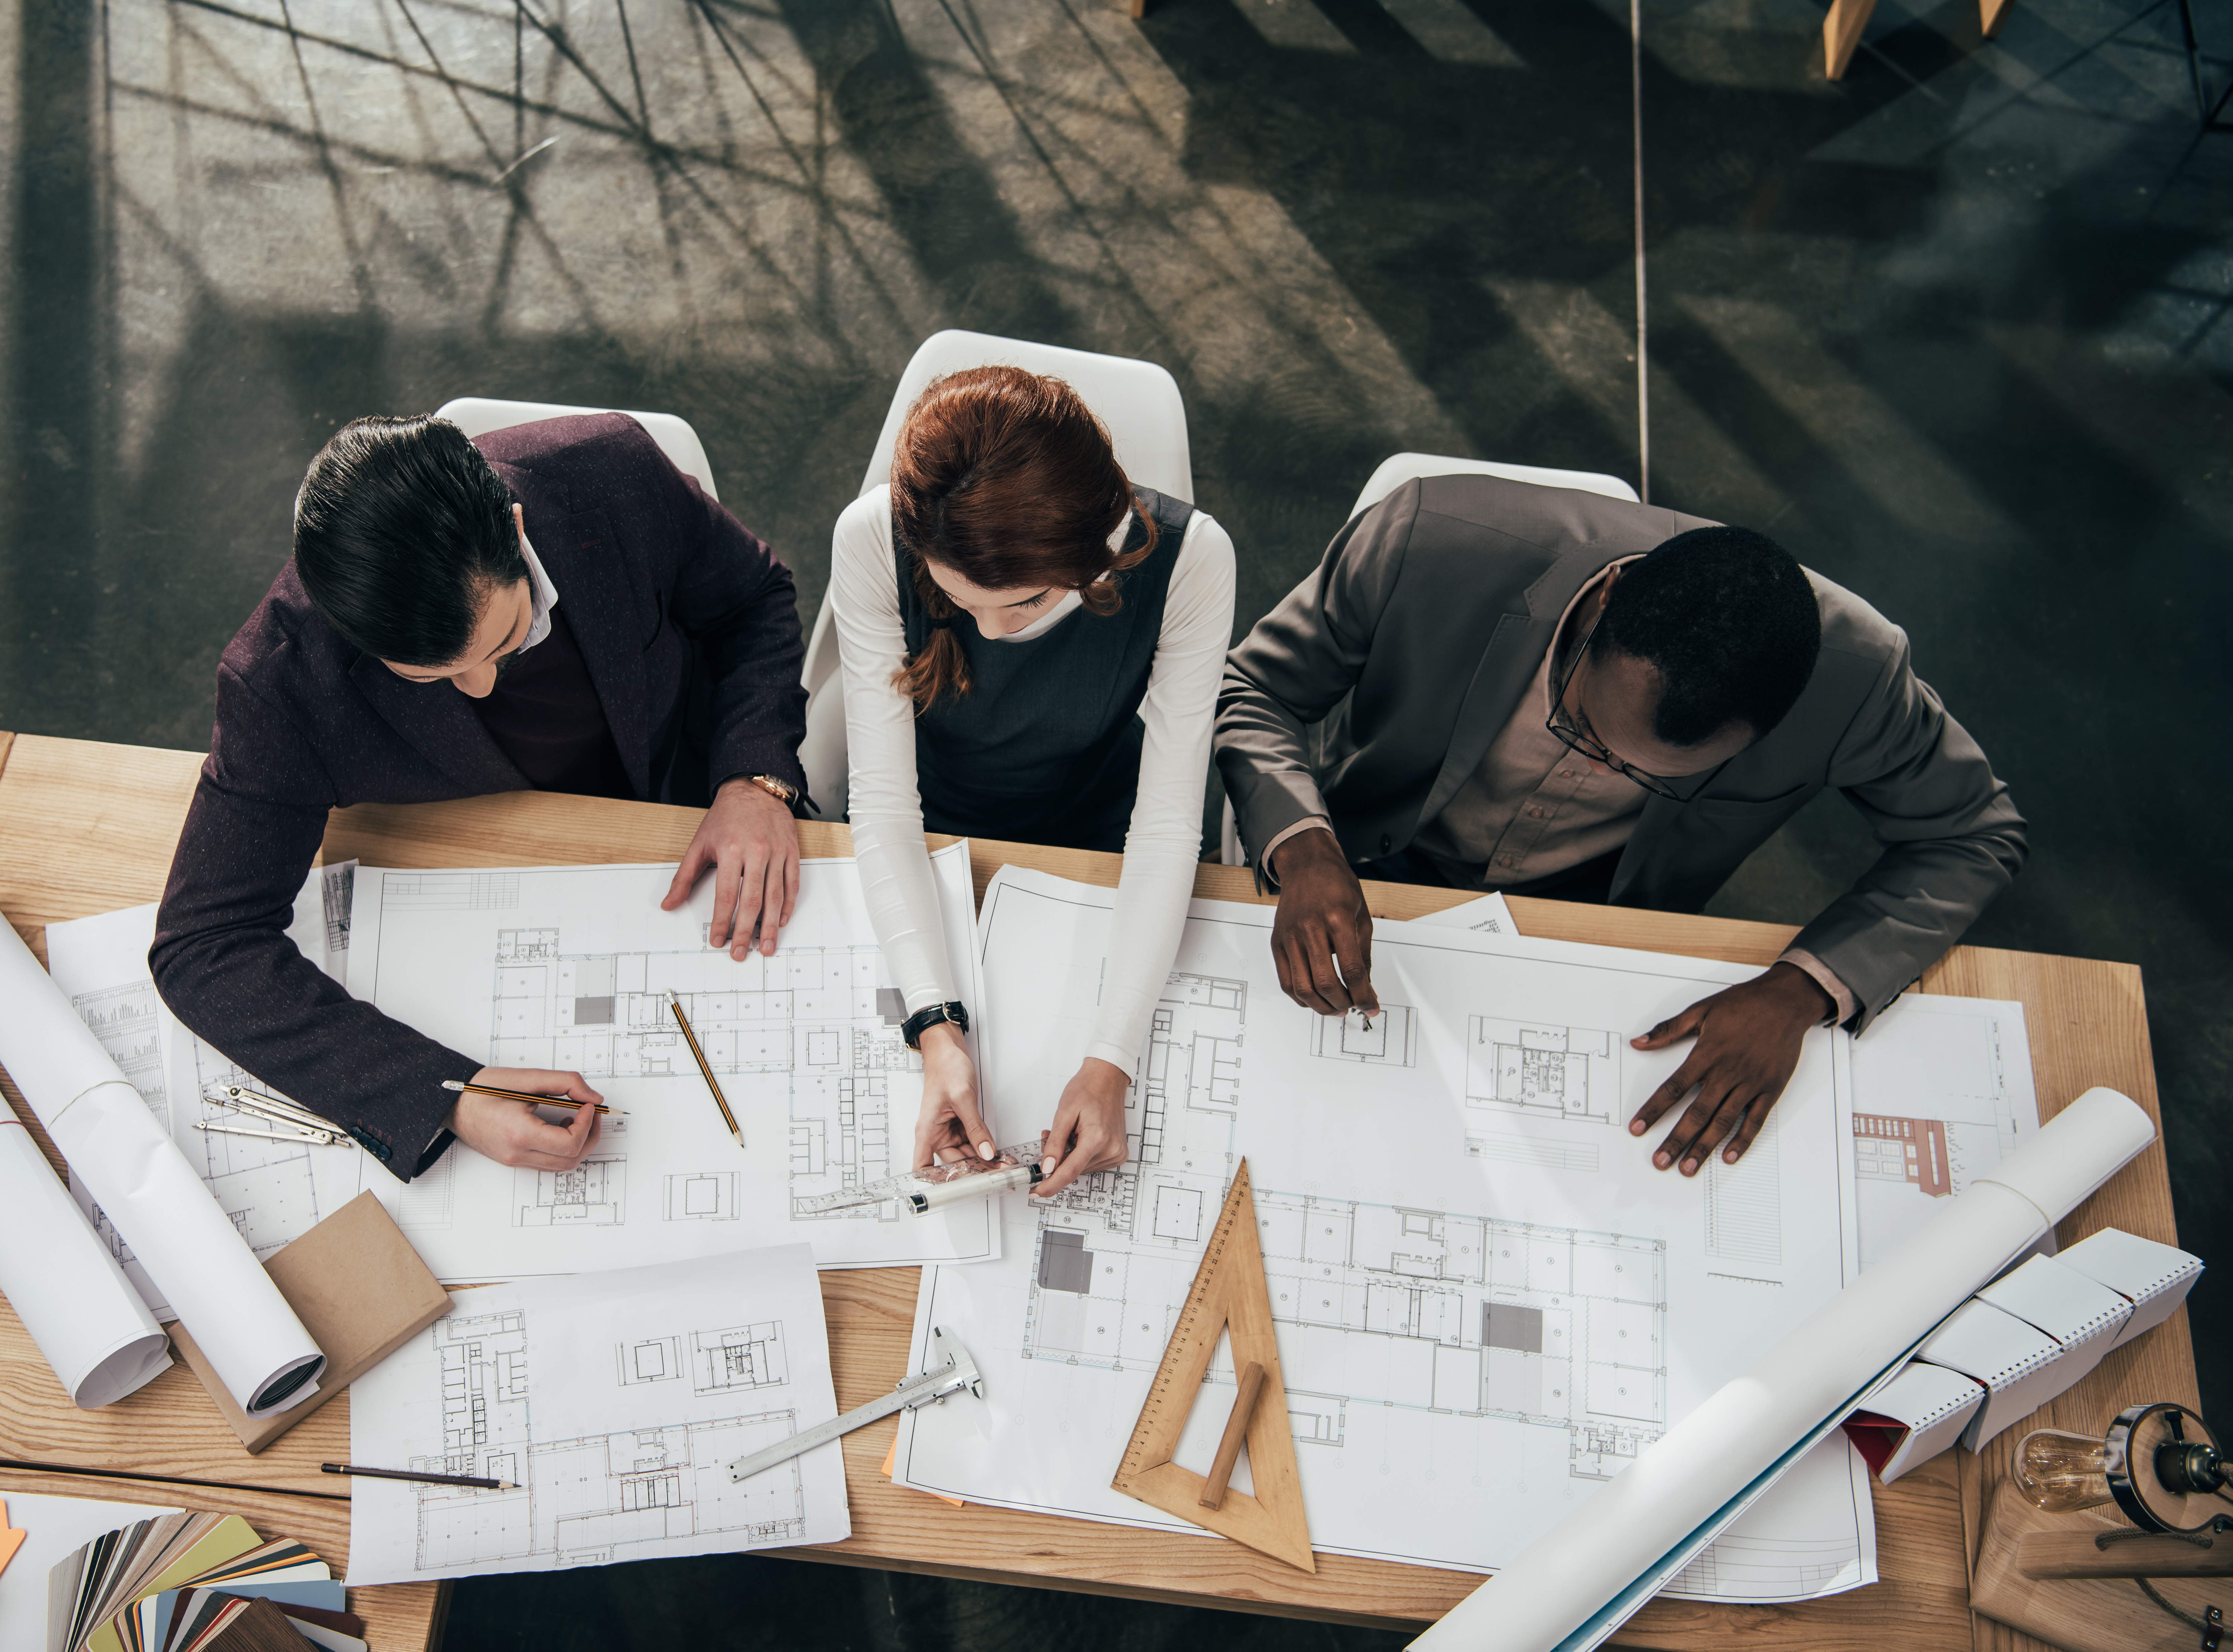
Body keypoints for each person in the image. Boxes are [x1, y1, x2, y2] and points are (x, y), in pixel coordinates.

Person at [1216, 474, 2026, 1177]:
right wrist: (1304, 846)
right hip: (1363, 865)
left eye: (1644, 774)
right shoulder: (1425, 537)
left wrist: (1801, 988)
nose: (1600, 768)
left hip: (1594, 932)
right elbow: (1253, 687)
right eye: (1581, 724)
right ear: (1606, 601)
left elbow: (1972, 833)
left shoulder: (1855, 680)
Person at [151, 413, 809, 1181]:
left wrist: (754, 776)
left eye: (509, 640)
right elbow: (203, 944)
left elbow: (753, 599)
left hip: (687, 801)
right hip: (487, 879)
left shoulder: (610, 473)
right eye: (429, 676)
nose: (485, 685)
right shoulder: (283, 678)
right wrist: (448, 1093)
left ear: (515, 527)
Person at [834, 367, 1237, 1195]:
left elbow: (1165, 824)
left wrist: (1112, 1057)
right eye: (959, 601)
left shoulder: (1193, 559)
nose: (989, 632)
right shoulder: (872, 533)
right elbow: (881, 802)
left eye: (1017, 605)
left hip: (1096, 839)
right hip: (932, 831)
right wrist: (935, 1027)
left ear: (1096, 552)